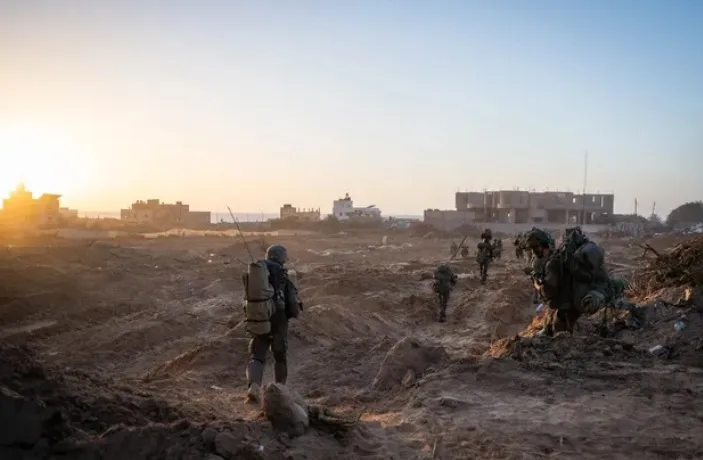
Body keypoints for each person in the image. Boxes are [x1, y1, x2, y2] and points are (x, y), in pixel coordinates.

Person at [526, 227, 631, 336]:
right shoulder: (566, 258)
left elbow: (549, 291)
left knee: (562, 334)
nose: (535, 253)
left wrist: (537, 286)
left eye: (536, 249)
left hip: (569, 308)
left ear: (543, 246)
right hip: (576, 304)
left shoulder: (554, 263)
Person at [245, 244, 303, 403]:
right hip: (279, 318)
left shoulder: (258, 273)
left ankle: (253, 387)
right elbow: (292, 303)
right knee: (280, 356)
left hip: (260, 316)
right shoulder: (284, 275)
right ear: (282, 257)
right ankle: (280, 390)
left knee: (257, 355)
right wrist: (294, 313)